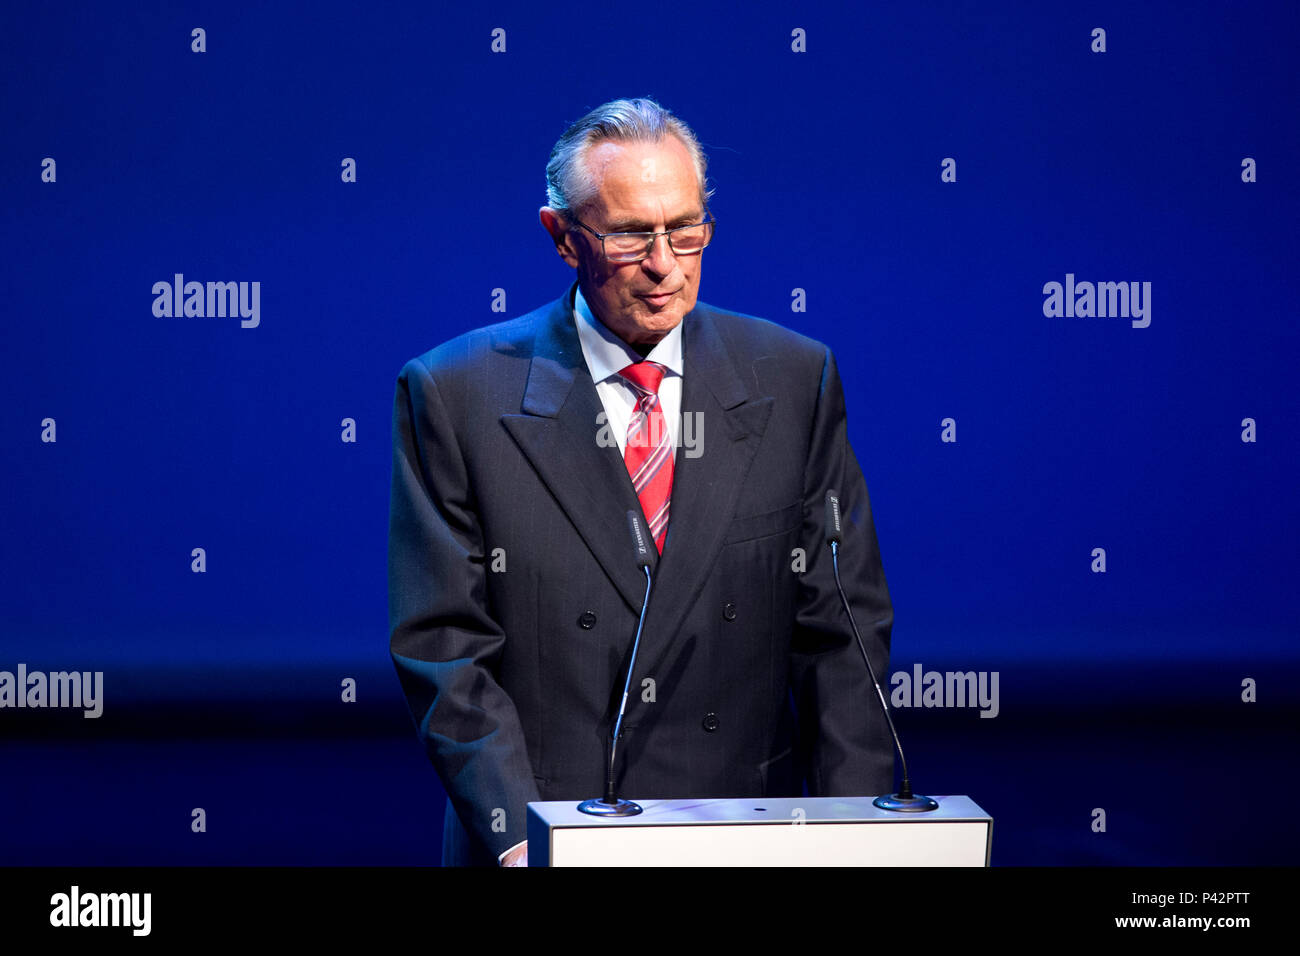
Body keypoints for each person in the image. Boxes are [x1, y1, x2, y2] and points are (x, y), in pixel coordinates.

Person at [388, 98, 894, 866]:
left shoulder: (794, 379)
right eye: (631, 235)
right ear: (562, 238)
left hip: (744, 836)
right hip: (546, 838)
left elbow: (843, 643)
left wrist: (859, 836)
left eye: (686, 229)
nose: (666, 264)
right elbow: (446, 649)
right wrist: (523, 839)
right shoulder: (457, 395)